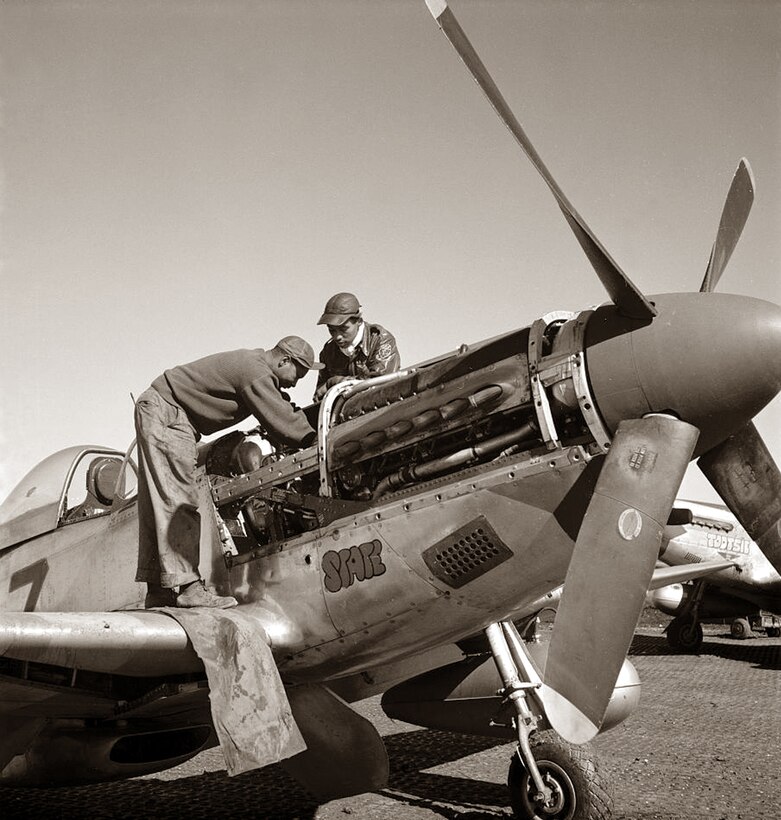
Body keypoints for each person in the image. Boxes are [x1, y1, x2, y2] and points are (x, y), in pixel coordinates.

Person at [135, 336, 324, 609]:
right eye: (298, 374)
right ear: (284, 360)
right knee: (180, 501)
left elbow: (282, 406)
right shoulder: (256, 372)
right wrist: (318, 440)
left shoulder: (255, 367)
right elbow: (283, 421)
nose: (296, 383)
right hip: (169, 415)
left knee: (161, 503)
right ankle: (189, 589)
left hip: (164, 411)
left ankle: (158, 591)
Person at [313, 292, 400, 401]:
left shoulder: (380, 340)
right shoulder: (328, 352)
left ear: (359, 321)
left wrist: (335, 382)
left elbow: (381, 385)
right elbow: (320, 394)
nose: (337, 336)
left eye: (343, 329)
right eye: (332, 330)